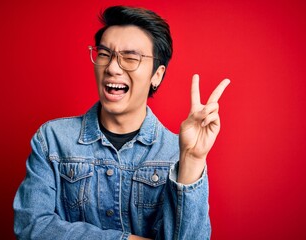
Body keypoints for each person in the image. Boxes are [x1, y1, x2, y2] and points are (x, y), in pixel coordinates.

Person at [13, 5, 230, 240]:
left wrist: (192, 160)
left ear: (156, 75)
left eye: (129, 58)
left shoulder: (176, 153)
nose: (112, 68)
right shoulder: (51, 140)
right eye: (105, 54)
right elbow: (30, 227)